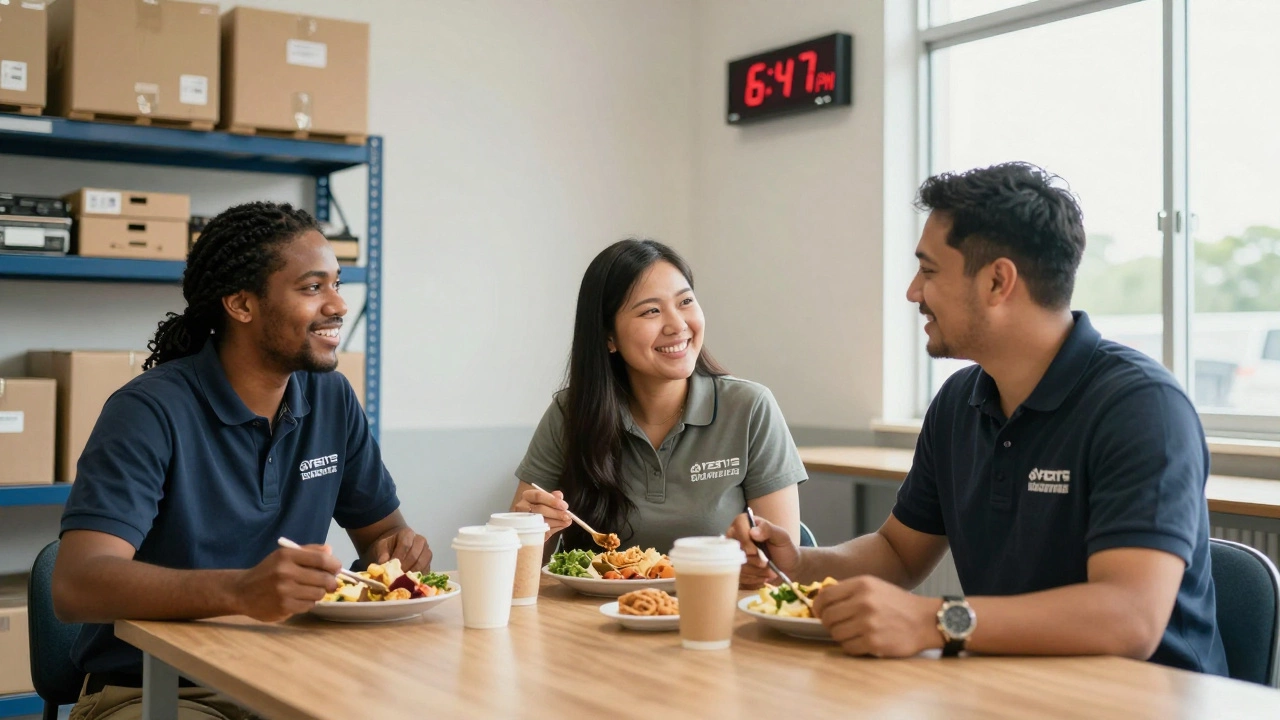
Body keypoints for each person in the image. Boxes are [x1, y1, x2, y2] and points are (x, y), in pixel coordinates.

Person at [729, 162, 1227, 675]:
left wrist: (935, 621)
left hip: (1145, 700)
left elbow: (1130, 619)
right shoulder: (958, 401)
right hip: (1013, 687)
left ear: (996, 281)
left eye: (928, 271)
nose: (912, 292)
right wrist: (797, 563)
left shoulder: (1142, 408)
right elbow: (897, 553)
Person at [52, 202, 433, 719]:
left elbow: (382, 540)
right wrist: (241, 590)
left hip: (290, 677)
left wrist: (400, 553)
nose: (338, 304)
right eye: (312, 287)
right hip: (156, 690)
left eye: (336, 283)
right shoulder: (148, 411)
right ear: (241, 304)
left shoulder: (332, 399)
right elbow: (77, 585)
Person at [511, 238, 806, 554]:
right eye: (651, 311)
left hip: (714, 601)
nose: (677, 325)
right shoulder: (570, 413)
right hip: (590, 605)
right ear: (608, 337)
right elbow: (520, 568)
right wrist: (527, 530)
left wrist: (756, 557)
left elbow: (782, 565)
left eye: (685, 302)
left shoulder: (750, 408)